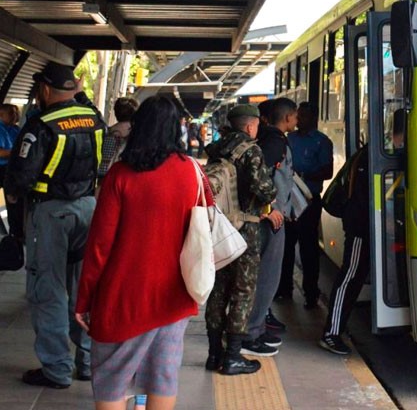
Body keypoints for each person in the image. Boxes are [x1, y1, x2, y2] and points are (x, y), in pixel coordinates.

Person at [75, 95, 213, 410]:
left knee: (112, 379)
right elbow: (207, 218)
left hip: (124, 297)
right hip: (175, 296)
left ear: (138, 126)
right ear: (176, 128)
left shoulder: (120, 175)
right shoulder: (192, 170)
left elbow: (99, 246)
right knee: (162, 376)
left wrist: (84, 300)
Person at [3, 62, 105, 388]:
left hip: (50, 214)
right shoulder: (95, 119)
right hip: (89, 209)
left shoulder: (40, 125)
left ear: (45, 90)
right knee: (83, 288)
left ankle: (56, 369)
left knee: (47, 289)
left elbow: (19, 178)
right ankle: (87, 361)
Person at [203, 104, 276, 375]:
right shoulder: (251, 150)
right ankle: (233, 356)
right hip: (246, 230)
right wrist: (272, 193)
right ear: (250, 126)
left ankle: (214, 354)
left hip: (219, 228)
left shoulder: (216, 148)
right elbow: (264, 189)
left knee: (218, 290)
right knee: (243, 291)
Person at [242, 97, 298, 356]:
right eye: (295, 116)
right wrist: (270, 209)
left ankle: (253, 328)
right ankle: (251, 333)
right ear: (287, 118)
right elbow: (260, 175)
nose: (296, 121)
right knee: (266, 278)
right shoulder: (275, 142)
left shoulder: (267, 138)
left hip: (263, 217)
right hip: (268, 220)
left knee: (261, 276)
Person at [281, 102, 333, 308]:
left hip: (309, 200)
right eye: (297, 115)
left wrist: (302, 175)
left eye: (303, 116)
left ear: (313, 118)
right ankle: (284, 289)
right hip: (288, 198)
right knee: (286, 246)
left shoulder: (322, 142)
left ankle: (311, 292)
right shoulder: (288, 139)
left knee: (309, 249)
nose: (299, 119)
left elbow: (327, 171)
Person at [319, 144, 370, 355]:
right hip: (360, 227)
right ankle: (331, 333)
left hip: (366, 225)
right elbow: (362, 197)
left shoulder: (370, 152)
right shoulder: (369, 157)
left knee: (354, 276)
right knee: (350, 276)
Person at [97, 97, 138, 183]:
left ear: (116, 113)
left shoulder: (106, 132)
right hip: (125, 178)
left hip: (102, 176)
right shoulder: (136, 135)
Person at [0, 103, 20, 235]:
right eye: (12, 113)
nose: (16, 116)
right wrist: (18, 152)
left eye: (16, 113)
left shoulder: (15, 129)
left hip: (11, 167)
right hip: (2, 167)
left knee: (15, 201)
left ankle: (15, 234)